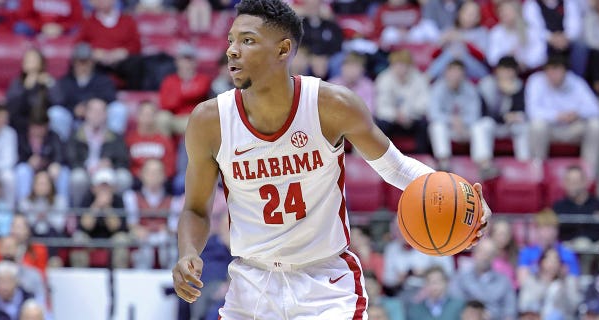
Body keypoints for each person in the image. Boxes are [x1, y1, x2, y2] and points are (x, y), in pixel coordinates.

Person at [171, 1, 492, 318]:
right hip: (252, 285)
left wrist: (464, 200)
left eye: (247, 40)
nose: (232, 50)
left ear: (283, 50)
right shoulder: (209, 121)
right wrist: (187, 253)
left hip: (325, 285)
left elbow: (396, 166)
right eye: (231, 40)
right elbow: (196, 209)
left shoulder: (331, 105)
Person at [526, 54, 599, 175]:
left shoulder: (576, 82)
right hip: (550, 129)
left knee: (596, 125)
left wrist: (577, 114)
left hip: (573, 128)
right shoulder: (536, 81)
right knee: (537, 125)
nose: (553, 74)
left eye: (557, 70)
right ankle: (537, 171)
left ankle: (589, 172)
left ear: (565, 71)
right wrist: (557, 115)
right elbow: (532, 111)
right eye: (550, 70)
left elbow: (595, 109)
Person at [374, 49, 431, 154]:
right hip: (391, 119)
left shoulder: (420, 79)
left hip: (412, 118)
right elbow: (381, 106)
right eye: (396, 65)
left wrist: (407, 113)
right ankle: (384, 158)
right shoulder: (383, 78)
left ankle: (422, 158)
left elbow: (424, 104)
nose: (399, 68)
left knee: (424, 125)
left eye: (403, 65)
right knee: (380, 125)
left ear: (410, 66)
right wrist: (395, 115)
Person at [449, 238, 517, 320]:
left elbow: (510, 311)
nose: (485, 257)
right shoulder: (461, 277)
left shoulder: (504, 281)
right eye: (482, 252)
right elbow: (455, 306)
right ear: (474, 253)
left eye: (489, 254)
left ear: (494, 257)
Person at [518, 247, 581, 320]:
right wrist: (544, 284)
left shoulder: (567, 283)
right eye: (549, 260)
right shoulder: (531, 281)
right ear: (541, 262)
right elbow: (524, 306)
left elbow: (573, 306)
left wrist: (563, 285)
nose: (552, 264)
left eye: (555, 260)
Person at [552, 165, 599, 241]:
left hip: (596, 250)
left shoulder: (598, 205)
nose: (571, 185)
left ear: (585, 182)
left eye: (575, 182)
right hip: (567, 249)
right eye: (568, 181)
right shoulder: (558, 207)